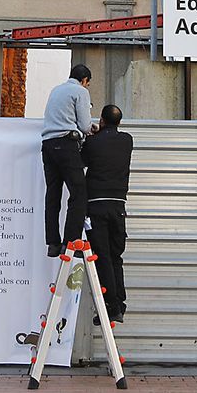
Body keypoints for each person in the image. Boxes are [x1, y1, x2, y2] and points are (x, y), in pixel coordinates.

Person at [82, 103, 133, 324]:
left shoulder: (93, 143)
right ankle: (119, 304)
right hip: (118, 206)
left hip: (96, 206)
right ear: (119, 122)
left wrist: (92, 135)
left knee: (101, 256)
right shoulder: (127, 140)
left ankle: (111, 306)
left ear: (102, 120)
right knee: (115, 256)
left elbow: (82, 160)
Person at [40, 62, 93, 258]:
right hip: (66, 144)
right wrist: (91, 129)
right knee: (79, 193)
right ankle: (71, 243)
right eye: (87, 83)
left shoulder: (56, 90)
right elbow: (85, 125)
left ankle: (53, 244)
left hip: (48, 145)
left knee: (53, 194)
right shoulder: (80, 91)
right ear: (84, 80)